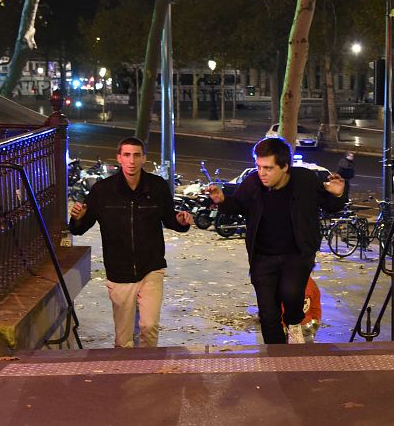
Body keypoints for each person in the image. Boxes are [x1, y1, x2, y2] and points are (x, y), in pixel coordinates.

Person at [207, 137, 346, 344]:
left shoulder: (305, 181)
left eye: (268, 168)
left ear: (285, 167)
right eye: (259, 166)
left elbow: (330, 205)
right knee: (268, 315)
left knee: (291, 294)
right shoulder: (254, 182)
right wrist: (222, 200)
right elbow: (239, 205)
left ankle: (294, 325)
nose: (262, 173)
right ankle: (277, 357)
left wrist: (339, 194)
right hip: (262, 257)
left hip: (296, 254)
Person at [69, 137, 192, 348]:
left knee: (149, 326)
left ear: (144, 158)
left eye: (136, 155)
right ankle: (125, 375)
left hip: (151, 267)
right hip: (119, 272)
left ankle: (150, 373)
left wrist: (181, 222)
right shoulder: (102, 191)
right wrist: (77, 218)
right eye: (126, 155)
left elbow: (170, 219)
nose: (131, 161)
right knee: (123, 338)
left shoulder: (157, 186)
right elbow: (79, 229)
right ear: (119, 158)